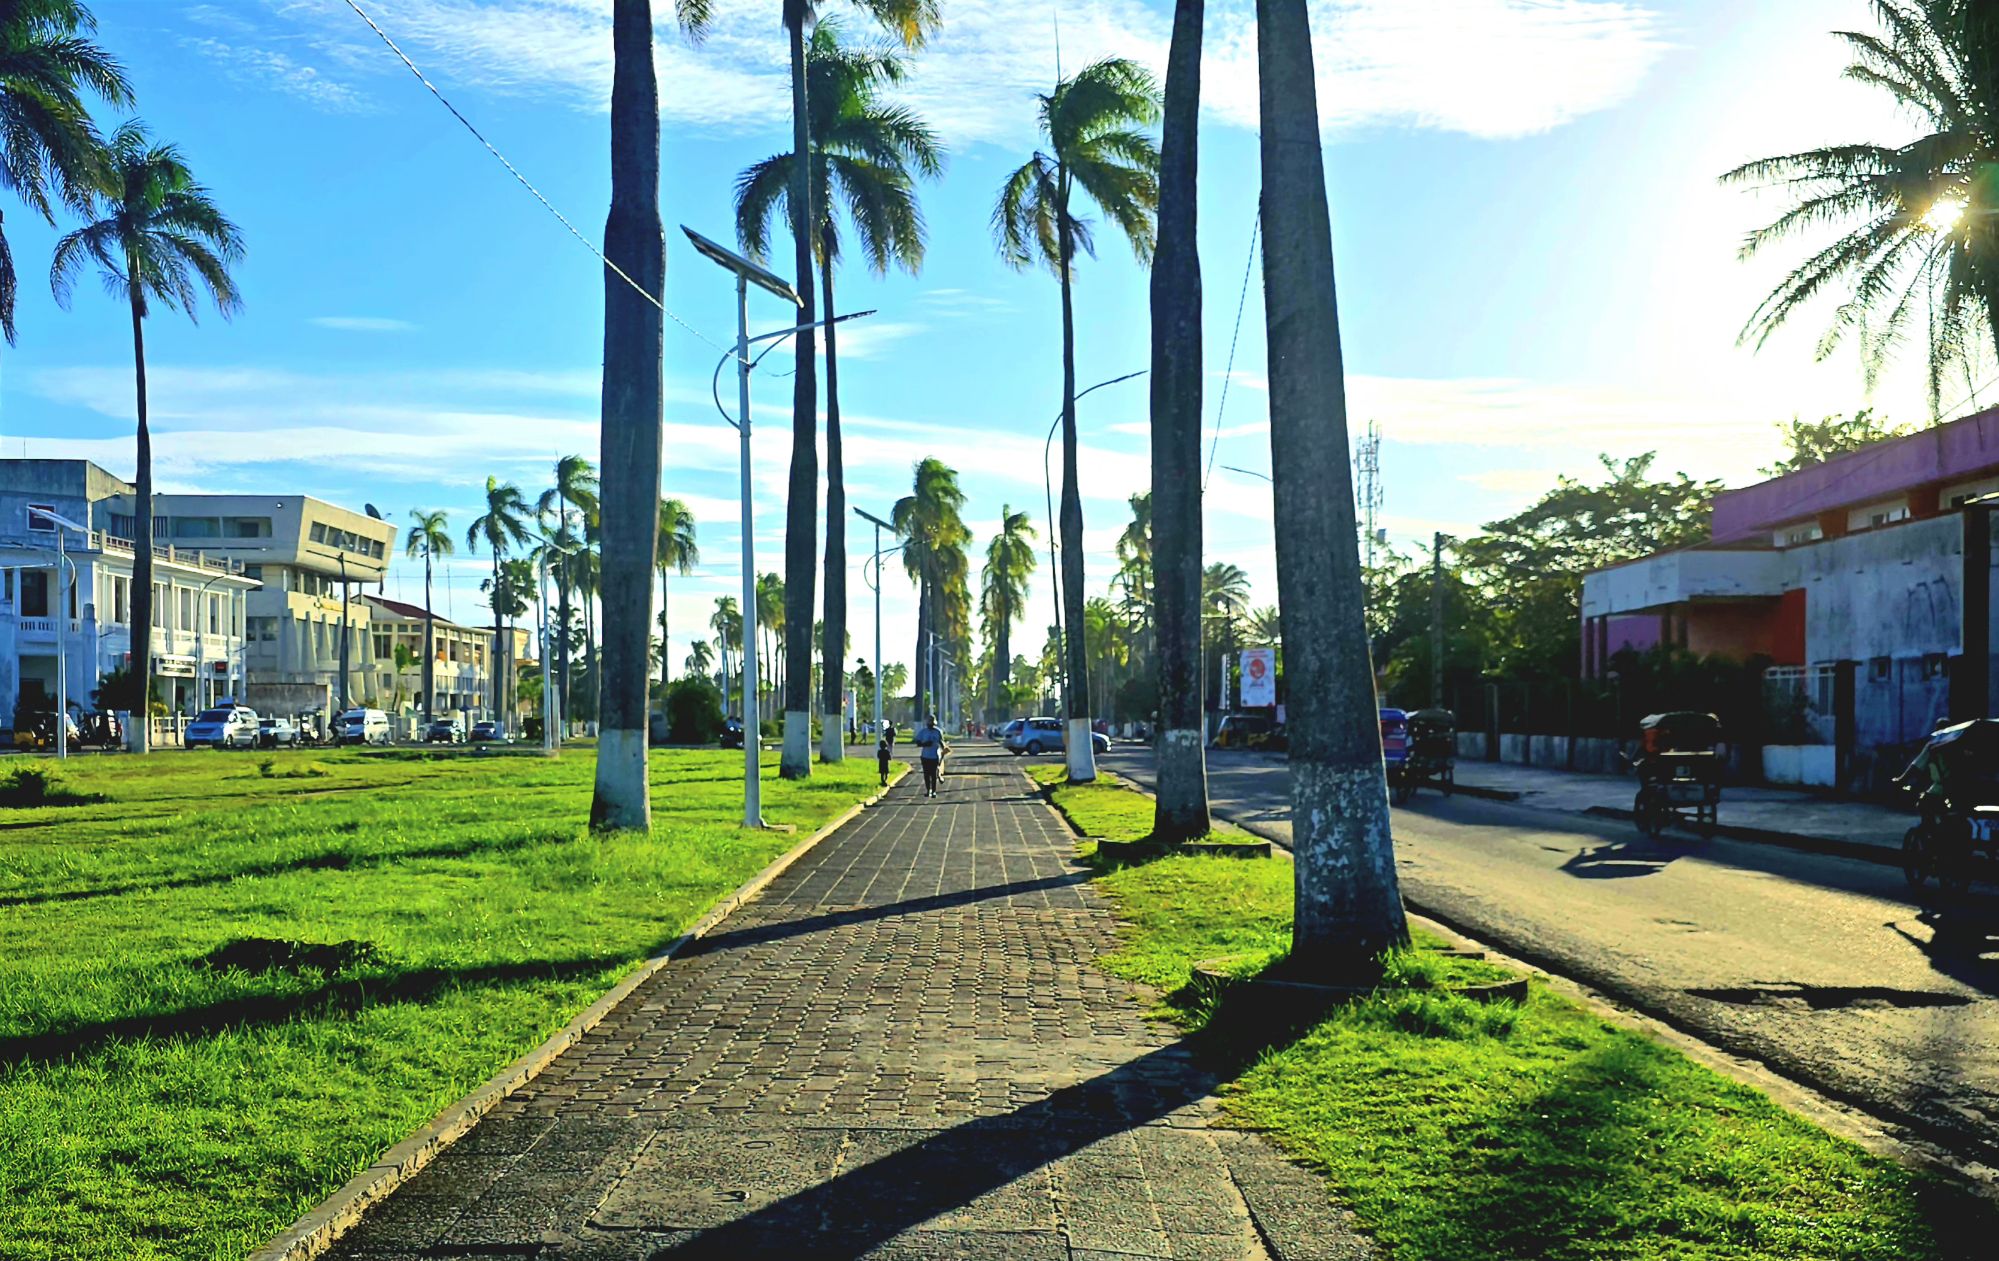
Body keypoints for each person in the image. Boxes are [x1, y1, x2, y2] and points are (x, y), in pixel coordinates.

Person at [913, 713, 947, 798]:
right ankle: (928, 790)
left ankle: (934, 791)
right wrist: (924, 744)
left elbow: (941, 742)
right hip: (925, 756)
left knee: (933, 774)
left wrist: (944, 750)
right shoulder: (923, 732)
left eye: (932, 722)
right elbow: (917, 742)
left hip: (934, 756)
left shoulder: (938, 731)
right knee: (926, 774)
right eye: (929, 722)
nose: (930, 723)